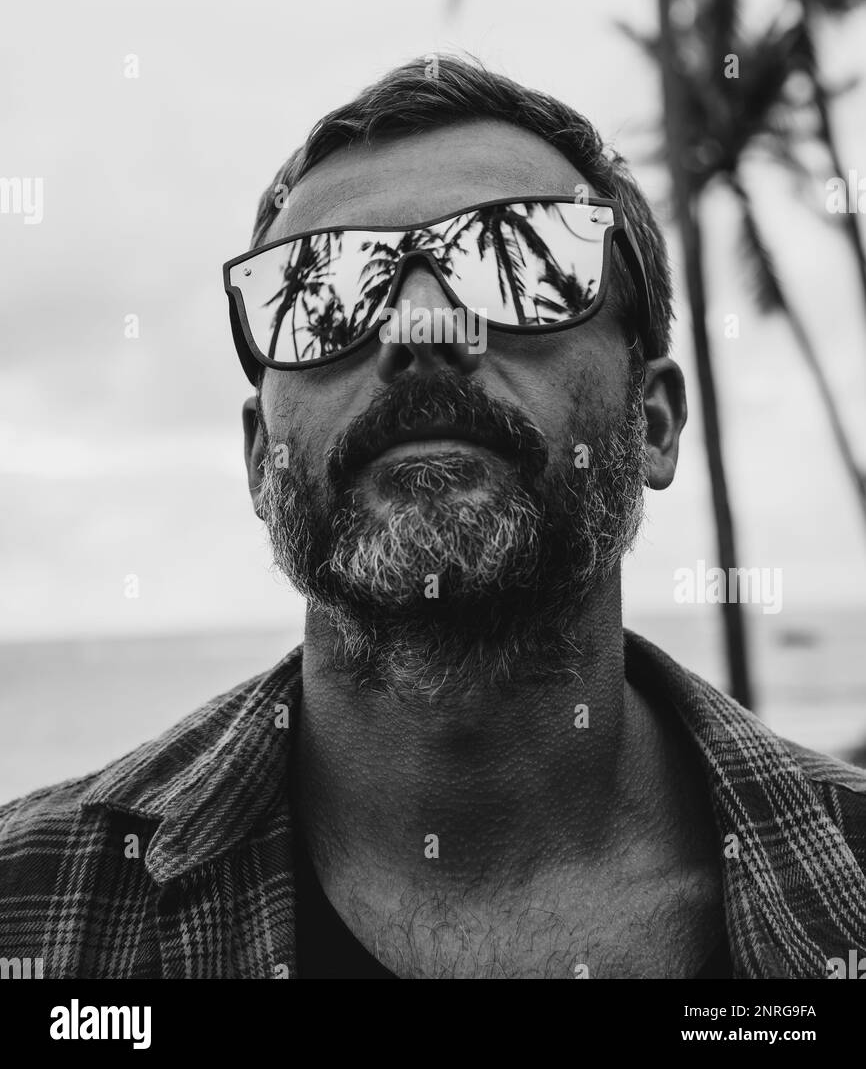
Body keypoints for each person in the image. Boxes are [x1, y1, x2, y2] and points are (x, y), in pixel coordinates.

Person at [2, 56, 865, 980]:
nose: (420, 328)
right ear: (260, 457)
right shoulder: (34, 905)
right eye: (319, 292)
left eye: (522, 261)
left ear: (649, 423)